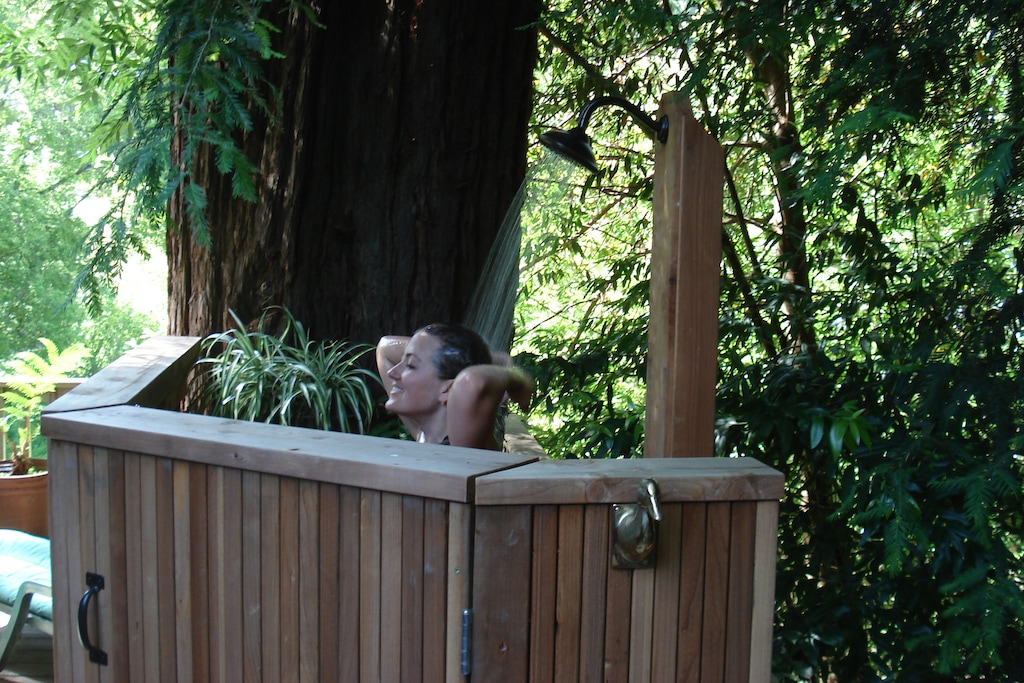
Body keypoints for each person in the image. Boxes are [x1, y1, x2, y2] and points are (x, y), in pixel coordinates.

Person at [376, 323, 534, 450]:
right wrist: (481, 357)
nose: (392, 372)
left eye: (410, 365)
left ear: (446, 389)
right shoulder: (426, 434)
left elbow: (470, 380)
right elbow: (385, 348)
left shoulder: (464, 444)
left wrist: (518, 380)